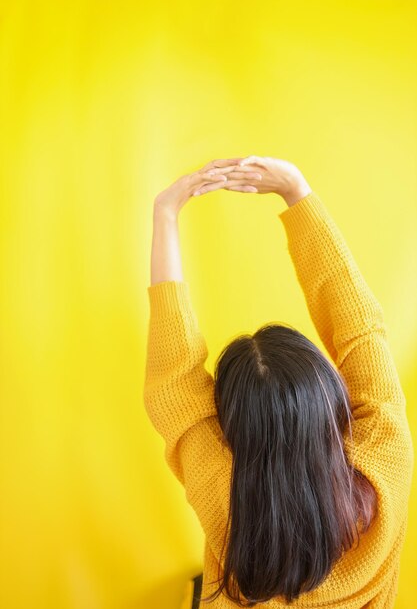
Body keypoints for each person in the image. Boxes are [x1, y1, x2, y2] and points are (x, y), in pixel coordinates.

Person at [143, 156, 414, 608]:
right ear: (328, 394)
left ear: (231, 427)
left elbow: (175, 384)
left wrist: (165, 214)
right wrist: (296, 191)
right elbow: (359, 329)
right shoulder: (387, 459)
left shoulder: (223, 496)